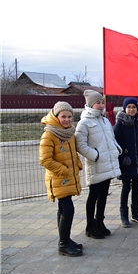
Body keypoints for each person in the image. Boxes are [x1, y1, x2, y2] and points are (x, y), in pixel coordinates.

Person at [76, 90, 122, 239]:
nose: (101, 105)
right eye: (98, 102)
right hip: (96, 165)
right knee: (93, 196)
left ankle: (100, 222)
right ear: (90, 104)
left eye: (102, 102)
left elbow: (111, 138)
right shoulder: (84, 123)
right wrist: (95, 156)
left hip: (107, 165)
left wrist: (117, 149)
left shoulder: (104, 120)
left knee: (103, 195)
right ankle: (90, 226)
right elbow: (80, 145)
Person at [40, 101, 83, 256]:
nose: (67, 120)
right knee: (68, 209)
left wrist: (77, 164)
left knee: (63, 209)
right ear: (55, 116)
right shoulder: (49, 134)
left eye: (70, 116)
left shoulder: (69, 132)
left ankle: (65, 239)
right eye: (63, 116)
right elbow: (45, 160)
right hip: (59, 178)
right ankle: (63, 244)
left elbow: (73, 153)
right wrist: (64, 170)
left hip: (69, 177)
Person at [113, 98, 138, 228]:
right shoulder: (120, 125)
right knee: (126, 187)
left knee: (137, 187)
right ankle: (124, 215)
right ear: (124, 109)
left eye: (134, 107)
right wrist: (121, 160)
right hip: (126, 161)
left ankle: (136, 213)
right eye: (128, 107)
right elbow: (116, 145)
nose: (131, 109)